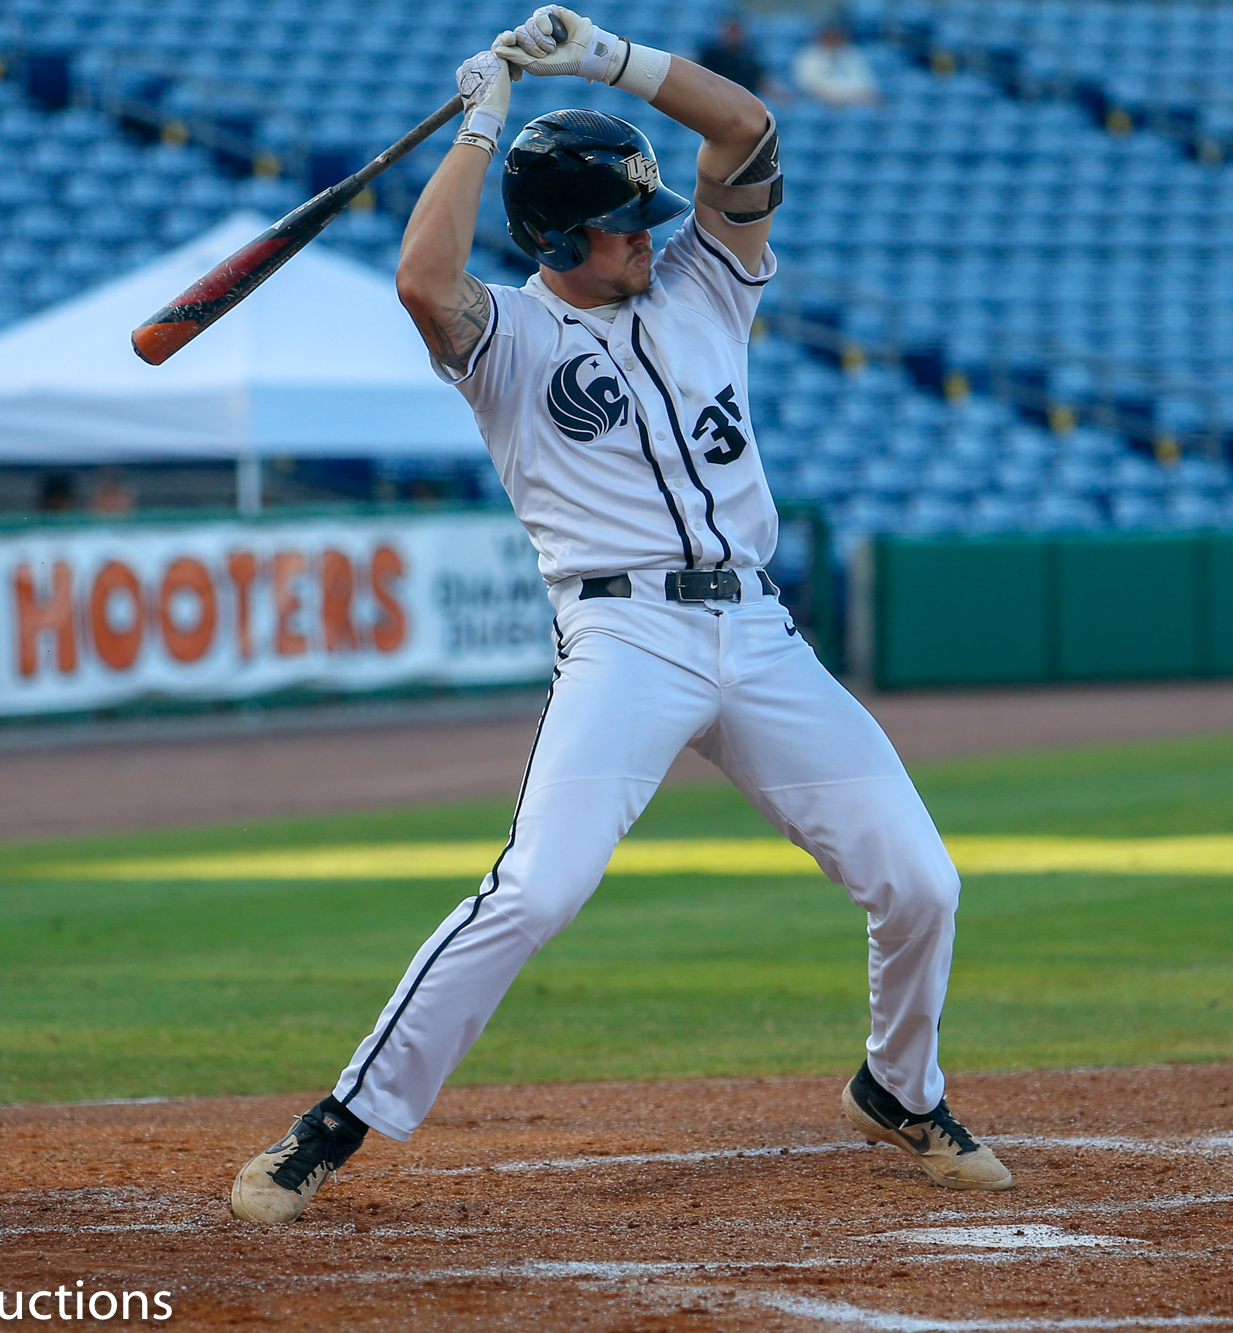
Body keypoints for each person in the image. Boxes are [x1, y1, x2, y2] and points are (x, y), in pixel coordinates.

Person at [225, 4, 1011, 1227]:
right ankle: (337, 1122)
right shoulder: (507, 337)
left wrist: (605, 58)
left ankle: (897, 1088)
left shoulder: (702, 283)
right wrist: (480, 125)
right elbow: (422, 277)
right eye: (620, 223)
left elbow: (745, 129)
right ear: (554, 236)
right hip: (624, 638)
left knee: (921, 883)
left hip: (757, 631)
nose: (649, 234)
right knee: (536, 889)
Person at [792, 15, 879, 107]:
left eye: (837, 35)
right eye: (830, 34)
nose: (834, 38)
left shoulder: (853, 54)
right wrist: (830, 97)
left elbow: (864, 82)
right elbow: (807, 84)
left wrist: (851, 98)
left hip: (853, 103)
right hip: (820, 103)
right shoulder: (808, 56)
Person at [696, 13, 766, 94]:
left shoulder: (749, 56)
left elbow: (760, 81)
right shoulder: (711, 54)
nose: (733, 35)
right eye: (731, 30)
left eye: (736, 31)